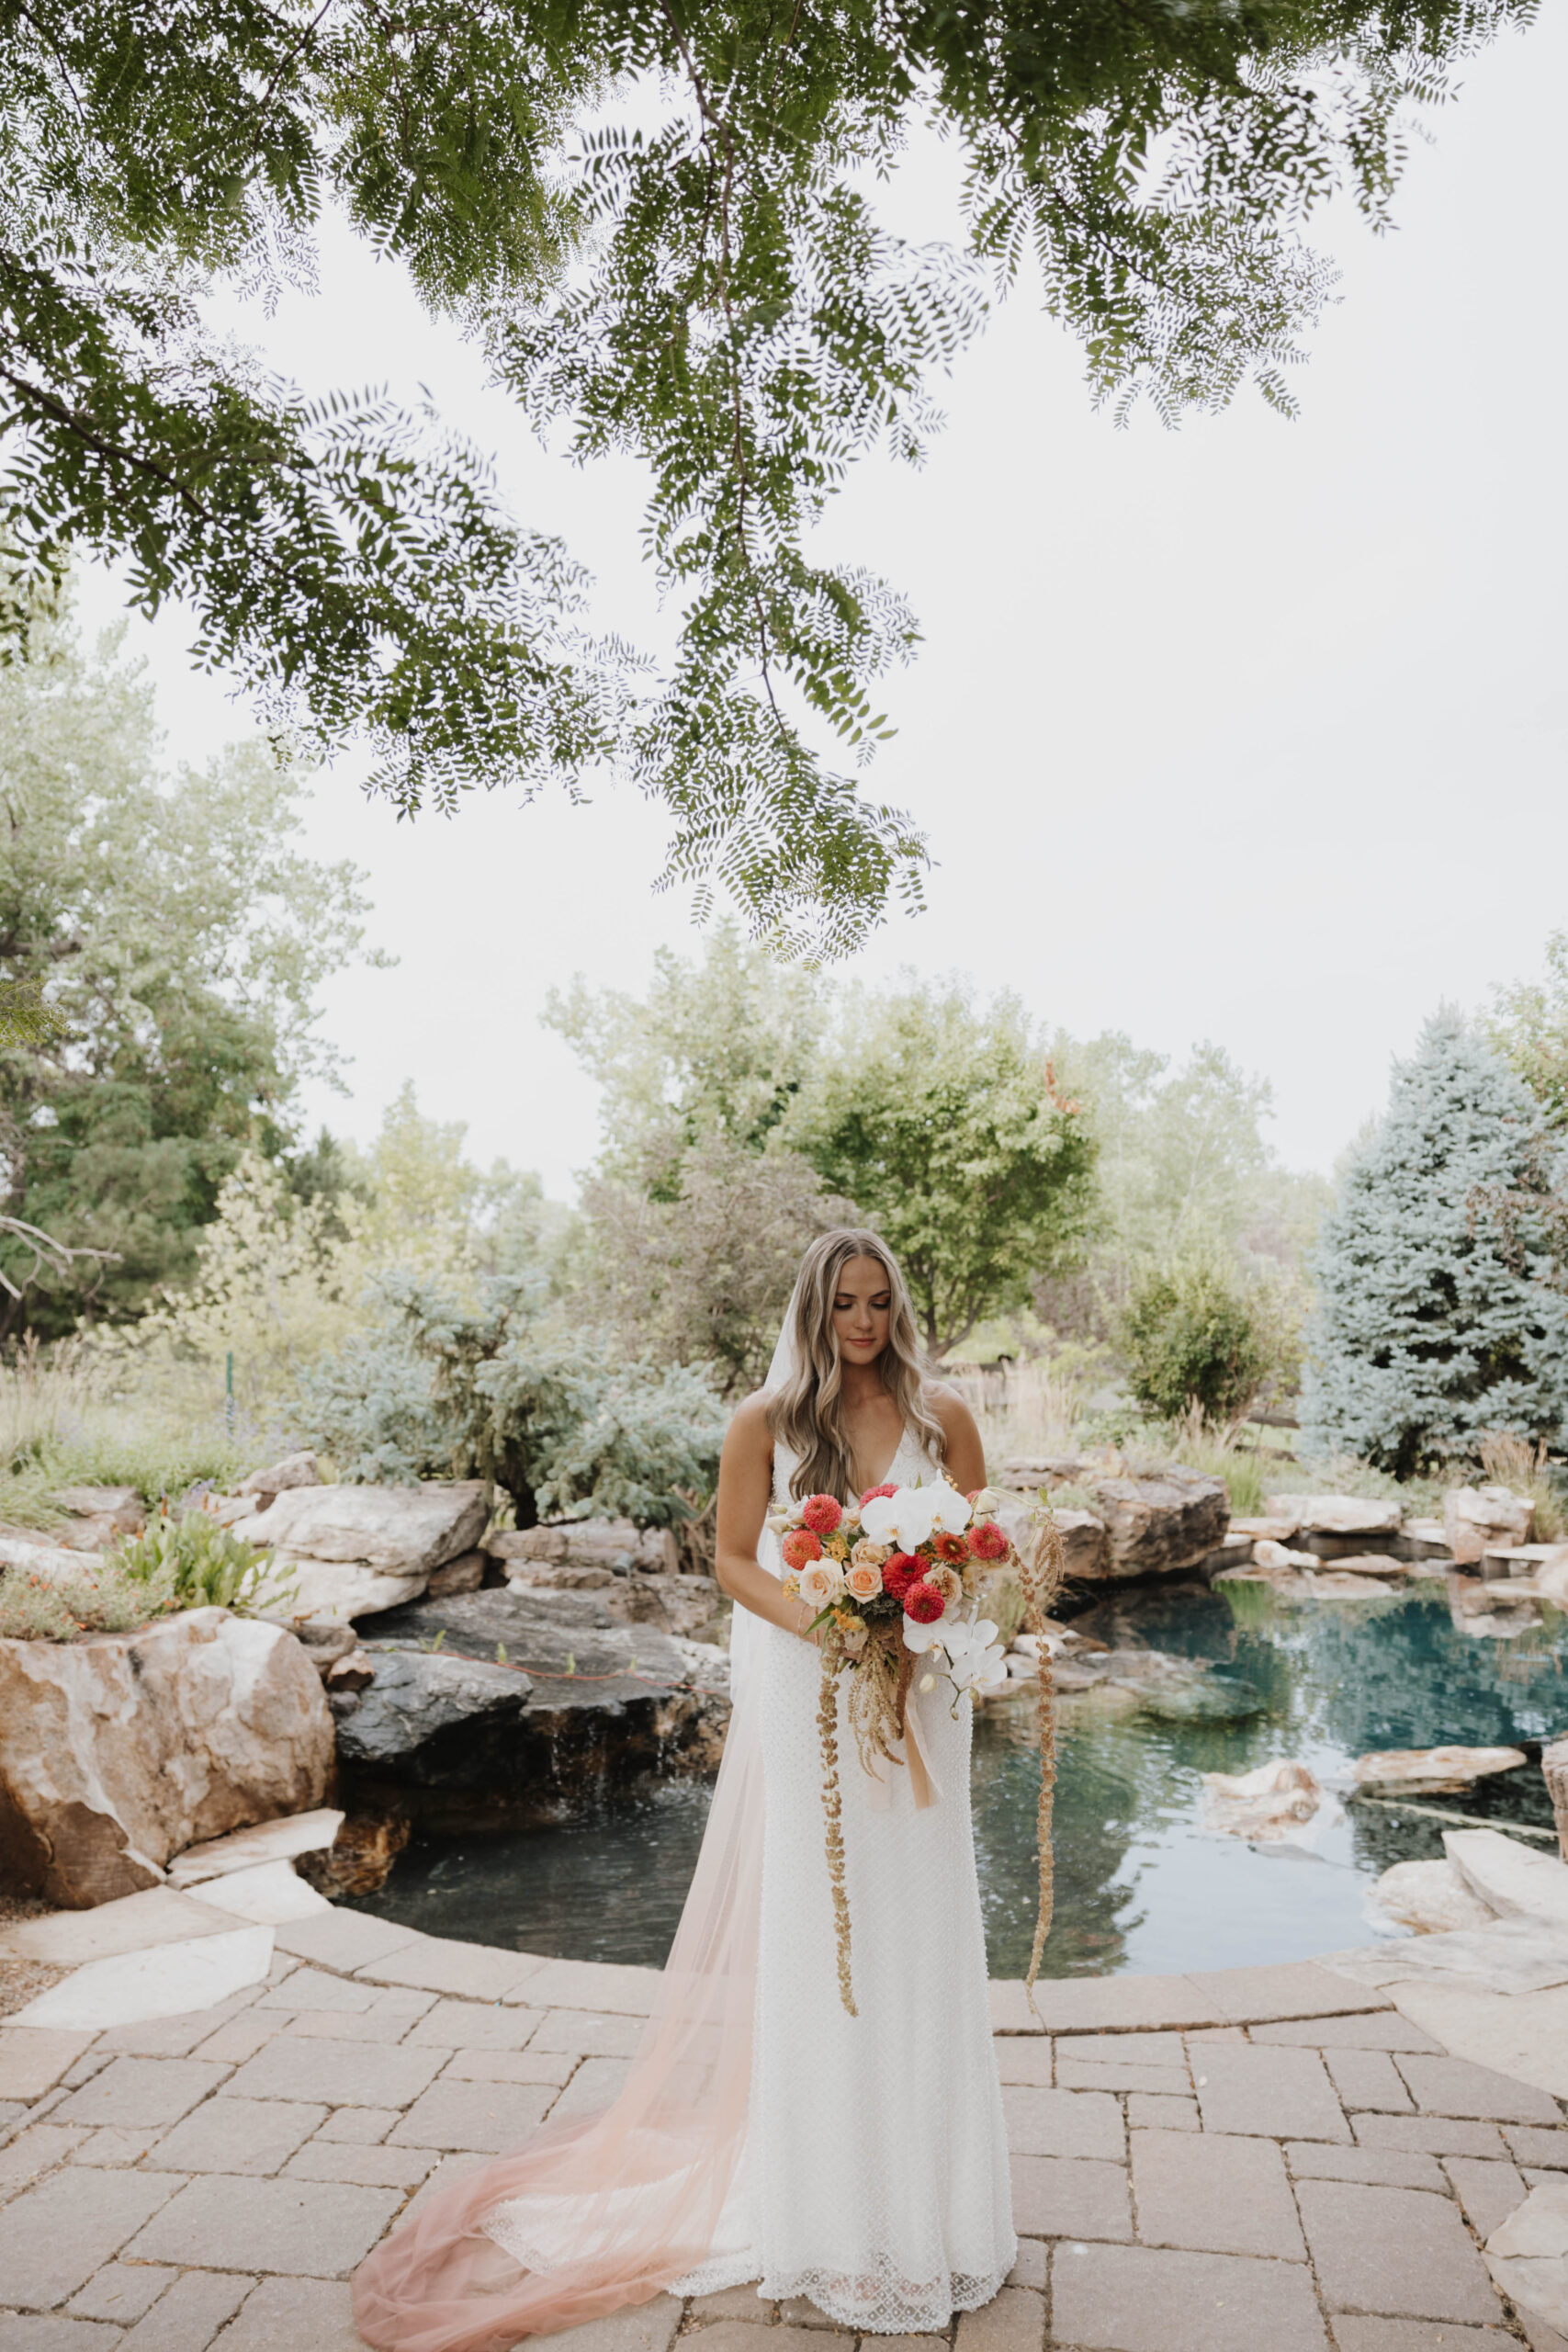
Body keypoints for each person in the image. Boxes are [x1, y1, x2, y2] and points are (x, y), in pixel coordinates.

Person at [353, 1227, 1014, 2352]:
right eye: (845, 1303)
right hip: (818, 1697)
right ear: (814, 1309)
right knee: (827, 1942)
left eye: (879, 1301)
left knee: (923, 1929)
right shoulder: (764, 1422)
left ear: (900, 1305)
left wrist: (926, 1617)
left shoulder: (945, 1415)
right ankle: (831, 2209)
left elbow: (983, 1542)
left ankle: (934, 2200)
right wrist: (841, 1625)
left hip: (922, 1703)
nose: (864, 1322)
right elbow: (735, 1559)